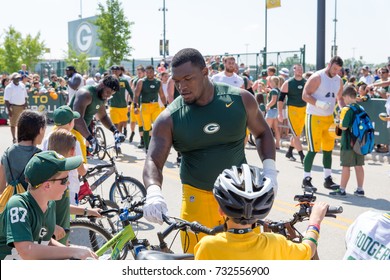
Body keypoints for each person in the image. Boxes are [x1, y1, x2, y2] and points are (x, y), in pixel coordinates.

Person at [142, 48, 277, 254]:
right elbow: (153, 159)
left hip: (240, 198)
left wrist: (270, 171)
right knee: (196, 260)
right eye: (177, 81)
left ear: (205, 73)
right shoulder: (170, 117)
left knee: (246, 260)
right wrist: (153, 191)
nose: (182, 87)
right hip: (197, 197)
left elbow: (263, 133)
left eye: (188, 78)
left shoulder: (240, 99)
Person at [194, 164, 329, 260]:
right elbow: (308, 250)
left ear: (221, 211)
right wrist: (315, 222)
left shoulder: (207, 246)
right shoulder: (275, 243)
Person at [0, 151, 98, 260]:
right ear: (47, 185)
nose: (68, 183)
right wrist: (73, 251)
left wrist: (77, 253)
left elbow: (45, 240)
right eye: (65, 180)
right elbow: (26, 250)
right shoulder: (18, 205)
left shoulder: (50, 204)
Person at [46, 129, 101, 245]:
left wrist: (88, 211)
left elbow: (64, 206)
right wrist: (52, 227)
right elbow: (35, 210)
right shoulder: (50, 180)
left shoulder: (56, 176)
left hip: (60, 240)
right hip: (49, 244)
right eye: (65, 180)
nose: (68, 183)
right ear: (72, 150)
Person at [301, 56, 345, 192]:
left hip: (329, 118)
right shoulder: (317, 77)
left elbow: (339, 98)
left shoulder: (338, 80)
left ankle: (328, 178)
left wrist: (343, 110)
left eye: (338, 70)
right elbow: (305, 95)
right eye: (334, 68)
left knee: (328, 149)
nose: (336, 72)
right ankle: (306, 179)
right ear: (329, 64)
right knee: (313, 149)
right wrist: (319, 103)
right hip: (314, 116)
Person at [70, 74, 122, 162]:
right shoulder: (86, 94)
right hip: (68, 131)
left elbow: (103, 116)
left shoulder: (102, 96)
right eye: (108, 92)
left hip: (78, 134)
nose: (108, 96)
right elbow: (77, 119)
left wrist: (115, 131)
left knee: (81, 167)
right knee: (77, 167)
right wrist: (91, 139)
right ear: (102, 84)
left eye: (111, 94)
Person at [0, 110, 46, 195]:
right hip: (31, 206)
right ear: (40, 130)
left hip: (11, 204)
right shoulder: (40, 156)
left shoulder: (7, 153)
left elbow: (1, 188)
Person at [330, 86, 365, 196]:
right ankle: (360, 189)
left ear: (348, 97)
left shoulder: (347, 109)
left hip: (348, 142)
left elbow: (344, 127)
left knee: (346, 166)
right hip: (360, 142)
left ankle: (342, 189)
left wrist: (338, 120)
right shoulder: (361, 108)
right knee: (359, 165)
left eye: (344, 98)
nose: (343, 101)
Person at [133, 65, 167, 152]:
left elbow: (162, 95)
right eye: (147, 72)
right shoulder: (141, 81)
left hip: (155, 106)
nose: (149, 74)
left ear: (154, 72)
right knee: (147, 127)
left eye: (150, 72)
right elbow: (136, 95)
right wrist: (135, 107)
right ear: (145, 72)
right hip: (145, 106)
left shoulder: (158, 82)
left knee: (157, 126)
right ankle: (147, 147)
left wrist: (166, 106)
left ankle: (156, 145)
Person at [277, 64, 307, 164]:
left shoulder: (306, 82)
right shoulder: (288, 83)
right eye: (297, 69)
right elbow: (281, 99)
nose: (299, 71)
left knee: (297, 134)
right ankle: (303, 156)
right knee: (296, 135)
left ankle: (289, 151)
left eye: (301, 69)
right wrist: (280, 113)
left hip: (303, 110)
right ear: (293, 70)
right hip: (292, 110)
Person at [110, 65, 134, 149]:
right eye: (113, 70)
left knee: (120, 124)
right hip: (113, 107)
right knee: (115, 125)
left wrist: (134, 102)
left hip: (123, 107)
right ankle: (116, 143)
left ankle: (119, 141)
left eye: (116, 70)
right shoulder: (108, 81)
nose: (115, 72)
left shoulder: (124, 81)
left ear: (120, 71)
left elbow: (130, 91)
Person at [4, 73, 28, 143]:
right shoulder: (9, 87)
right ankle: (14, 138)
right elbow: (6, 100)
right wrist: (9, 110)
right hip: (14, 107)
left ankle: (20, 137)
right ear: (12, 79)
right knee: (13, 124)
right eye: (16, 78)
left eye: (19, 78)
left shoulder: (22, 85)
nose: (18, 80)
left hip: (22, 106)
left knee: (22, 123)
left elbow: (25, 96)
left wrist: (26, 104)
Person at [129, 65, 146, 146]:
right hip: (136, 104)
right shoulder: (135, 81)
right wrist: (129, 103)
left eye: (140, 73)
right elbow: (131, 93)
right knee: (136, 122)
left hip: (145, 104)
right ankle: (140, 138)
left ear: (144, 73)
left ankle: (145, 139)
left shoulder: (147, 81)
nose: (138, 74)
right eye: (137, 73)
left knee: (144, 123)